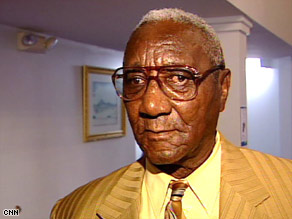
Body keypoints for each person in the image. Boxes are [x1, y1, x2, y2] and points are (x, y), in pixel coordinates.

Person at [51, 8, 292, 219]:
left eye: (179, 78)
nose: (151, 106)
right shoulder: (73, 210)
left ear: (223, 88)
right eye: (135, 80)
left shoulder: (286, 190)